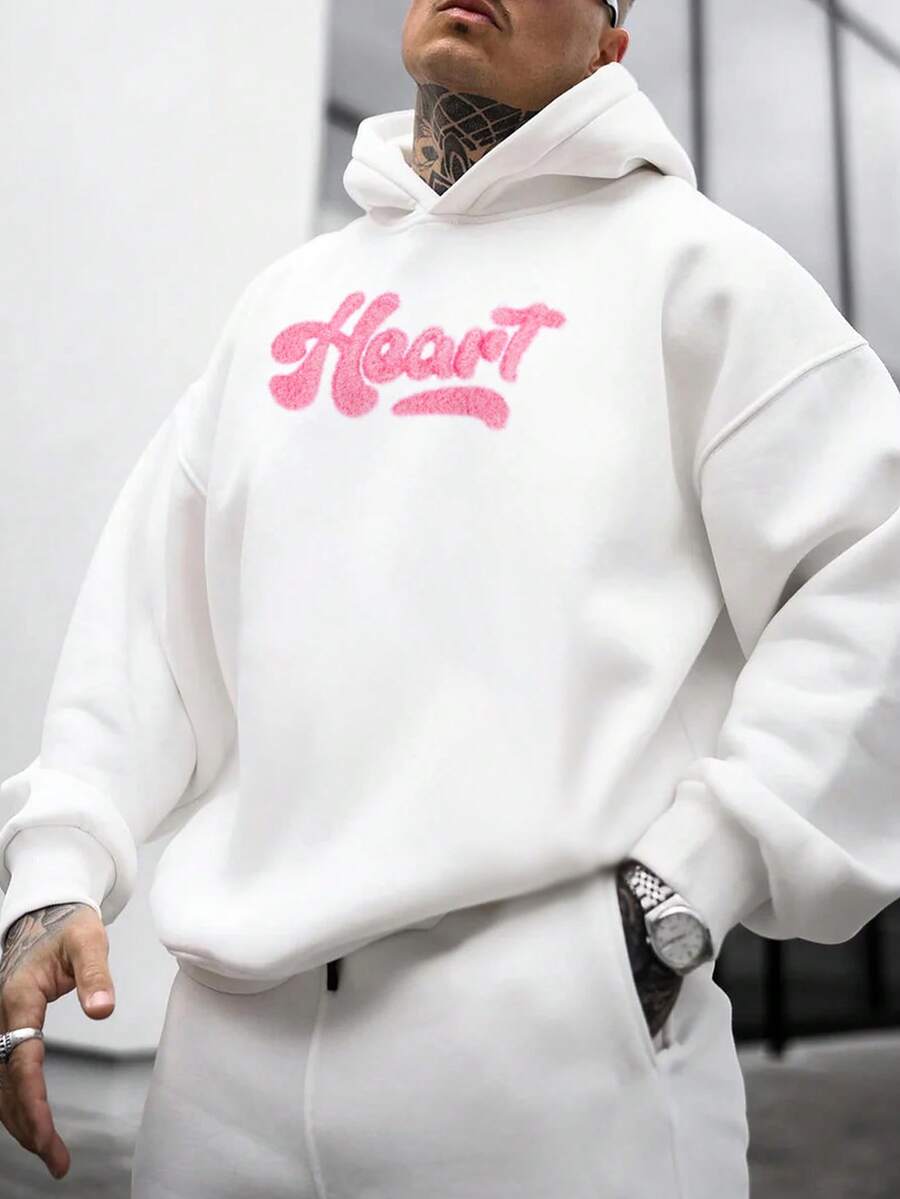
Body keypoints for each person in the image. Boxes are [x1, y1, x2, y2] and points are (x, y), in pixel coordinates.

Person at [1, 0, 899, 1194]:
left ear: (612, 45)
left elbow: (873, 583)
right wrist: (53, 876)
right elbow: (148, 630)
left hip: (552, 1079)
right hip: (219, 1078)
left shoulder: (703, 275)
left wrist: (690, 886)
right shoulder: (289, 300)